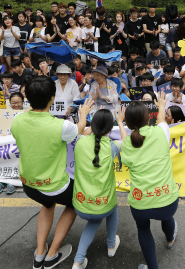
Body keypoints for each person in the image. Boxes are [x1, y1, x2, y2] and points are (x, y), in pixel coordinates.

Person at [11, 76, 94, 269]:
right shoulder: (62, 126)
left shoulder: (17, 120)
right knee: (74, 202)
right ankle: (52, 254)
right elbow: (78, 131)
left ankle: (39, 253)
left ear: (27, 99)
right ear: (52, 98)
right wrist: (83, 115)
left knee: (47, 204)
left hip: (28, 183)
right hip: (54, 185)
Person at [121, 93, 179, 269]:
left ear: (128, 122)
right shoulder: (161, 132)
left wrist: (119, 122)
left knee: (143, 229)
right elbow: (162, 120)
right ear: (148, 118)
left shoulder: (126, 144)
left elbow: (126, 140)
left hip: (140, 203)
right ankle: (170, 240)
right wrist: (161, 105)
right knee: (167, 217)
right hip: (168, 199)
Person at [71, 107, 127, 268]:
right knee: (111, 208)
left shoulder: (80, 142)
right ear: (110, 129)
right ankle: (109, 247)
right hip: (103, 205)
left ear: (92, 126)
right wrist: (120, 122)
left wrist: (87, 118)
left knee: (96, 219)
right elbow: (125, 139)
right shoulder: (112, 147)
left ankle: (81, 259)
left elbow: (83, 133)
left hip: (80, 204)